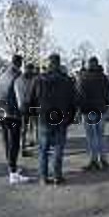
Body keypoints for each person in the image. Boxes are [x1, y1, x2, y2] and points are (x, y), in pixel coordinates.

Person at [32, 53, 76, 185]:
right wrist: (70, 119)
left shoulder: (39, 80)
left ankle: (43, 177)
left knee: (43, 150)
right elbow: (73, 102)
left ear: (49, 64)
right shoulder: (67, 80)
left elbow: (32, 100)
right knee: (58, 149)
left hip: (44, 118)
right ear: (59, 63)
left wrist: (34, 115)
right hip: (61, 118)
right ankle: (57, 176)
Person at [0, 55, 30, 184]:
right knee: (14, 142)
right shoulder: (18, 76)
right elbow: (21, 98)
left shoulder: (3, 75)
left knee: (6, 140)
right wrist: (25, 112)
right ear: (20, 63)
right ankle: (13, 173)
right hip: (14, 113)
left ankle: (11, 166)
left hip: (2, 111)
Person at [77, 56, 109, 170]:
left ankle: (93, 160)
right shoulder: (104, 77)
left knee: (91, 137)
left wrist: (81, 110)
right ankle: (104, 160)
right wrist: (106, 106)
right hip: (101, 110)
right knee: (101, 136)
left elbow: (80, 95)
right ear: (97, 64)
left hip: (88, 111)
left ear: (88, 64)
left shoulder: (83, 77)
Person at [15, 63, 37, 156]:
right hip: (31, 106)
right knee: (33, 125)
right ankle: (32, 142)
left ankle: (23, 145)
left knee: (24, 127)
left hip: (22, 106)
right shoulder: (34, 80)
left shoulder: (18, 80)